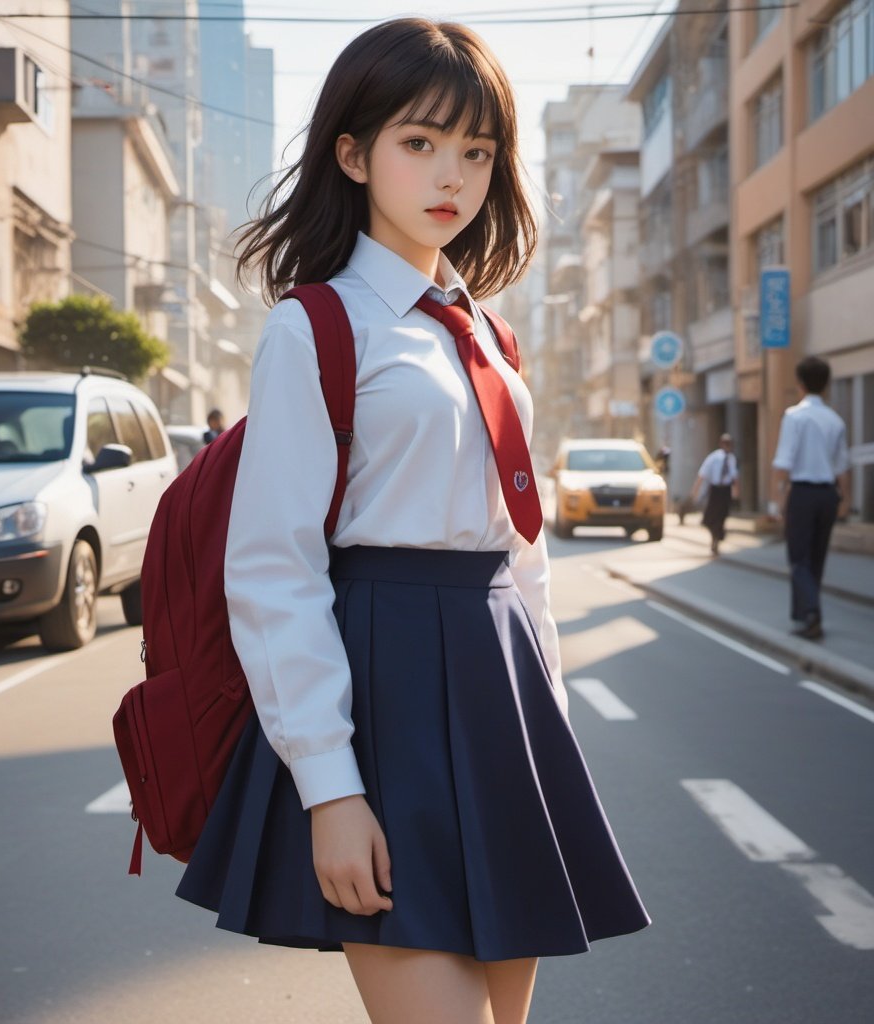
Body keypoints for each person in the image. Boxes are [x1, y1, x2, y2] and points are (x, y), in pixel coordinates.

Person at [175, 19, 649, 1023]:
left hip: (501, 702)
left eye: (477, 151)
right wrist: (330, 789)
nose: (454, 175)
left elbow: (524, 555)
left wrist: (547, 728)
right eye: (421, 142)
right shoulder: (316, 325)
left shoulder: (489, 332)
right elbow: (274, 569)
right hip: (379, 691)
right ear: (352, 153)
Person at [772, 356, 851, 641]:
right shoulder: (835, 419)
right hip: (828, 494)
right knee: (817, 557)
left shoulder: (794, 416)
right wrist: (844, 501)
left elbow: (783, 463)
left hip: (803, 493)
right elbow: (843, 466)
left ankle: (810, 613)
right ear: (827, 384)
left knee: (798, 558)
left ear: (800, 383)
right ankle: (807, 616)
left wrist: (777, 501)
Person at [691, 433, 739, 554]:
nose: (727, 446)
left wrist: (736, 491)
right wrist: (695, 491)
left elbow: (734, 477)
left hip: (726, 490)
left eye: (729, 444)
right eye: (725, 443)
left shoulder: (731, 458)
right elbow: (702, 474)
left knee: (722, 515)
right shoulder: (713, 457)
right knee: (710, 517)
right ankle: (715, 535)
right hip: (715, 489)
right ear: (721, 444)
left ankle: (718, 537)